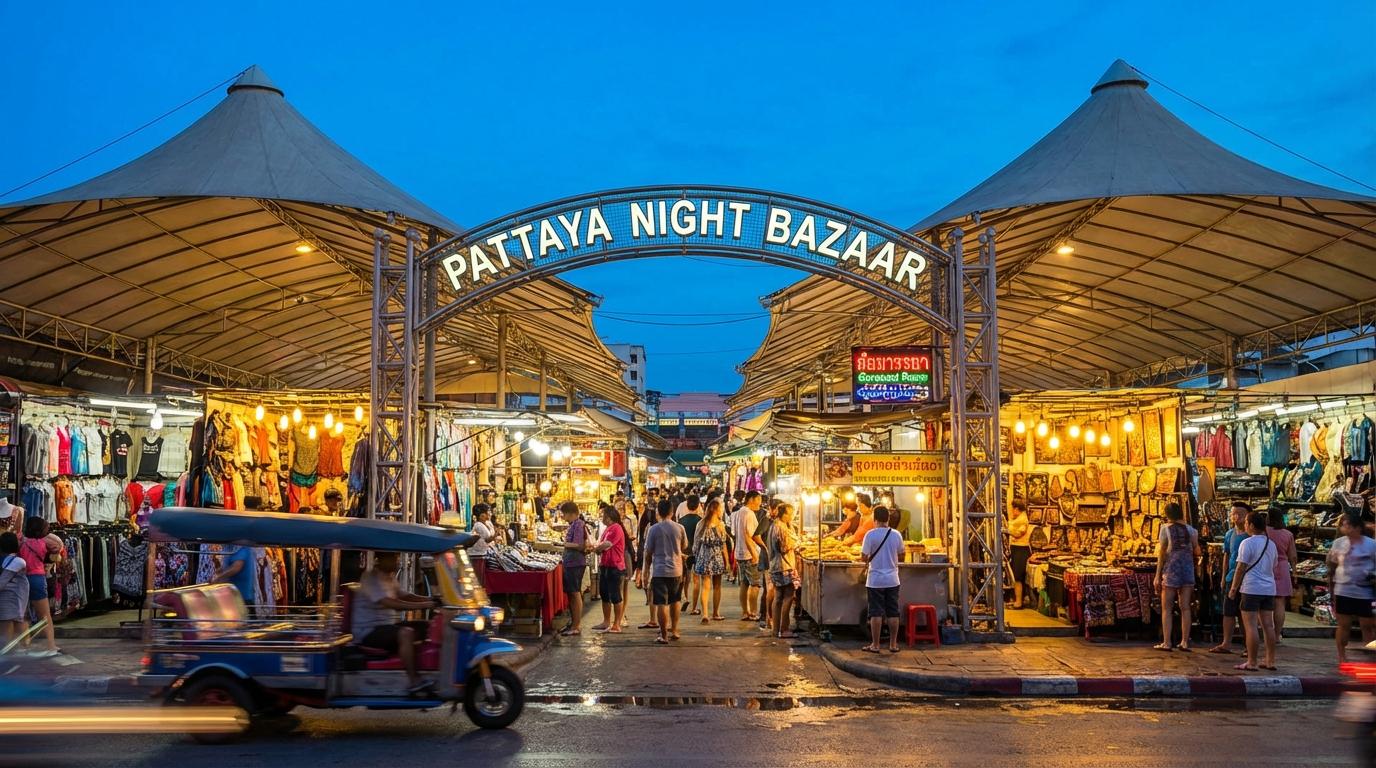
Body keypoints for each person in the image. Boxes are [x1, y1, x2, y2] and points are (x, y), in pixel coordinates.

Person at [352, 551, 441, 694]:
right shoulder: (369, 577)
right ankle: (414, 681)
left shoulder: (390, 577)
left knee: (427, 626)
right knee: (406, 633)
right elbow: (390, 603)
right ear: (381, 559)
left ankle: (424, 668)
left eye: (397, 558)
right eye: (393, 558)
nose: (397, 561)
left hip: (386, 627)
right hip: (368, 631)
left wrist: (430, 600)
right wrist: (424, 605)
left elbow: (405, 595)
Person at [1229, 511, 1279, 671]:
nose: (1244, 526)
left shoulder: (1247, 543)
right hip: (1269, 589)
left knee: (1250, 626)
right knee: (1268, 626)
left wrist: (1233, 588)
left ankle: (1252, 661)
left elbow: (1240, 567)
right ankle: (1270, 660)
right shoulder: (1271, 544)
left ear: (1251, 525)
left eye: (1246, 523)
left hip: (1251, 588)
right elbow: (1274, 565)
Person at [1328, 512, 1376, 664]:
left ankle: (1370, 655)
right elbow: (1332, 564)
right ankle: (1342, 656)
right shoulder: (1339, 543)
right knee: (1344, 626)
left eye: (1348, 525)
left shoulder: (1371, 544)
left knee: (1367, 626)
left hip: (1365, 590)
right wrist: (1331, 586)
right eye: (1344, 525)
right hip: (1344, 589)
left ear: (1357, 528)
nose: (1345, 528)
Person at [1152, 502, 1200, 651]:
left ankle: (1167, 642)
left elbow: (1162, 552)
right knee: (1185, 607)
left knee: (1167, 607)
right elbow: (1196, 550)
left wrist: (1158, 575)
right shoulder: (1192, 530)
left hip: (1171, 570)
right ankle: (1184, 641)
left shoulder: (1165, 529)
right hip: (1187, 570)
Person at [642, 499, 689, 644]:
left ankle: (664, 635)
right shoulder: (679, 528)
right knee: (675, 600)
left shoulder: (653, 529)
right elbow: (684, 546)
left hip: (659, 570)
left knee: (661, 603)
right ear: (672, 512)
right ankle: (674, 630)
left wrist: (645, 572)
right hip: (676, 570)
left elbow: (648, 552)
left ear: (658, 512)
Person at [861, 506, 905, 653]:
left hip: (875, 580)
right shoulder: (896, 534)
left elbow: (864, 557)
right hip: (892, 579)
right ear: (888, 518)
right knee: (893, 612)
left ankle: (876, 644)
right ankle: (893, 645)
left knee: (876, 612)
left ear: (875, 519)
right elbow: (902, 555)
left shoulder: (870, 535)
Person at [1209, 502, 1251, 654]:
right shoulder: (1229, 534)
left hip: (1247, 580)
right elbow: (1226, 555)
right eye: (1233, 513)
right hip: (1230, 578)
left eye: (1240, 513)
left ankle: (1248, 646)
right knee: (1228, 612)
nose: (1236, 516)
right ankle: (1226, 643)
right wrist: (1223, 577)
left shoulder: (1252, 536)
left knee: (1245, 614)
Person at [20, 517, 64, 656]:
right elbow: (58, 545)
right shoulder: (43, 543)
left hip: (21, 579)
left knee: (23, 614)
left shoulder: (21, 541)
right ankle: (51, 645)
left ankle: (24, 646)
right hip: (37, 578)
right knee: (44, 615)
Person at [693, 498, 730, 622]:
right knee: (717, 586)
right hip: (717, 557)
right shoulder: (720, 525)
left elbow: (696, 543)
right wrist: (727, 561)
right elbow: (724, 544)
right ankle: (716, 612)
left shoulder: (701, 524)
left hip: (704, 557)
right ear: (717, 510)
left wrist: (696, 556)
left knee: (706, 586)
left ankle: (705, 614)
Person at [592, 506, 627, 633]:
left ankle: (617, 623)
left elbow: (607, 544)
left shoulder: (616, 528)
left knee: (615, 595)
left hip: (615, 566)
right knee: (605, 595)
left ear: (609, 516)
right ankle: (606, 621)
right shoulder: (607, 529)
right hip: (605, 565)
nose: (601, 518)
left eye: (603, 515)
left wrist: (596, 548)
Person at [1265, 508, 1298, 643]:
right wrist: (1295, 572)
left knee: (1265, 602)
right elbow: (1293, 556)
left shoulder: (1264, 532)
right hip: (1282, 567)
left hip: (1266, 566)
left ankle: (1267, 634)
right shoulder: (1288, 534)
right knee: (1280, 603)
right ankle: (1277, 635)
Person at [559, 501, 592, 636]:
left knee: (575, 593)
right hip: (571, 562)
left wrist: (564, 544)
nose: (564, 517)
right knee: (572, 593)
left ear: (571, 513)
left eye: (565, 514)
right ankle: (574, 623)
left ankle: (576, 625)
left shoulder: (578, 524)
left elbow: (578, 544)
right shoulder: (574, 524)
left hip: (575, 562)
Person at [768, 503, 799, 639]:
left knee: (778, 597)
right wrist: (797, 543)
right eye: (790, 513)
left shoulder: (775, 525)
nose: (792, 516)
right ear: (784, 514)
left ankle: (776, 630)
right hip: (784, 566)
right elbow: (785, 547)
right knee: (788, 596)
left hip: (776, 566)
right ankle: (784, 628)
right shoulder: (780, 528)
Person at [732, 491, 763, 621]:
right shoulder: (749, 514)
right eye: (758, 500)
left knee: (744, 583)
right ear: (751, 499)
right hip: (749, 554)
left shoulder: (739, 512)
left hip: (739, 553)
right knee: (755, 584)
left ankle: (745, 612)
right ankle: (754, 612)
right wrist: (755, 554)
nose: (760, 504)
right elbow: (749, 536)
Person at [754, 499, 781, 630]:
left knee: (773, 589)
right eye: (777, 509)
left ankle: (771, 617)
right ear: (772, 509)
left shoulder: (779, 522)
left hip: (775, 559)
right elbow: (756, 536)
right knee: (768, 589)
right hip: (767, 559)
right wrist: (765, 547)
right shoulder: (767, 520)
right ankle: (765, 617)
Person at [0, 532, 29, 645]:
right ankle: (22, 649)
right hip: (13, 598)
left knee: (8, 623)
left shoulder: (17, 562)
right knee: (18, 622)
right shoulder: (14, 560)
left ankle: (8, 653)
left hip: (11, 598)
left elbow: (2, 582)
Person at [679, 495, 703, 614]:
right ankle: (694, 608)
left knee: (683, 578)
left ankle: (685, 597)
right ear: (698, 505)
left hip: (684, 552)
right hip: (697, 552)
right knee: (696, 580)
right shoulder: (701, 521)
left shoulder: (681, 521)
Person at [1007, 500, 1032, 609]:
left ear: (1017, 508)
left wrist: (1006, 530)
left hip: (1021, 550)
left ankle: (1018, 602)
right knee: (1016, 576)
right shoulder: (1018, 519)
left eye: (1013, 508)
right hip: (1017, 549)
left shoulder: (1023, 520)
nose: (1012, 511)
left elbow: (1018, 534)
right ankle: (1018, 600)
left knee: (1018, 576)